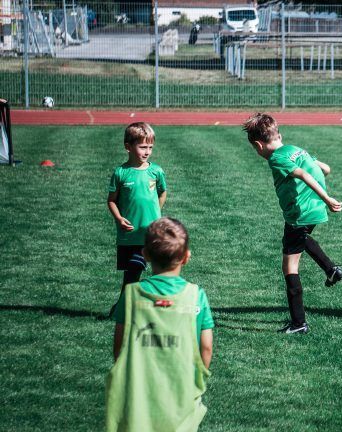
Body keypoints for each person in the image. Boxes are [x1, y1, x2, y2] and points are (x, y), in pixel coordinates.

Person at [106, 217, 214, 432]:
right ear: (186, 257)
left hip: (138, 391)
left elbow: (119, 347)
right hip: (181, 390)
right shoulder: (196, 296)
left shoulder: (131, 295)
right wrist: (198, 378)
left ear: (145, 254)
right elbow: (206, 347)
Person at [242, 113, 342, 334]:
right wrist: (320, 193)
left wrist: (327, 199)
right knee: (300, 238)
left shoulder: (276, 159)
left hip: (300, 214)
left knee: (289, 266)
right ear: (279, 135)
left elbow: (303, 175)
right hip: (311, 211)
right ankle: (331, 270)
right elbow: (325, 168)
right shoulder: (295, 149)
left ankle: (298, 323)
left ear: (258, 145)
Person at [107, 122, 167, 317]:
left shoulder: (156, 171)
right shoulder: (121, 173)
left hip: (151, 232)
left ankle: (158, 307)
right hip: (130, 233)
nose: (147, 151)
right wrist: (119, 218)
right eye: (142, 147)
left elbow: (162, 192)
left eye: (150, 147)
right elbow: (111, 200)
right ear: (128, 147)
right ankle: (122, 307)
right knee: (132, 274)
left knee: (157, 271)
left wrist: (156, 212)